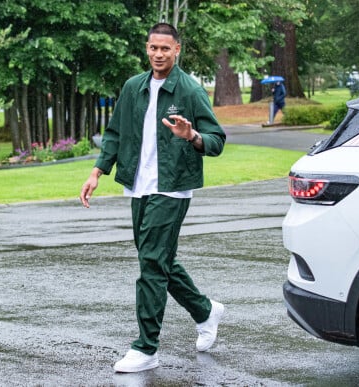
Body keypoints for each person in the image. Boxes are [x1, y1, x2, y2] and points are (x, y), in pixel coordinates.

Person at [79, 23, 226, 373]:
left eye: (165, 48)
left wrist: (192, 136)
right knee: (158, 260)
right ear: (147, 49)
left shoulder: (189, 90)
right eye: (152, 48)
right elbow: (114, 134)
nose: (158, 54)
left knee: (150, 265)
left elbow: (216, 139)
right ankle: (205, 310)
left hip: (171, 187)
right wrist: (97, 172)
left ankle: (146, 347)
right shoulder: (134, 87)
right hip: (138, 185)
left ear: (177, 50)